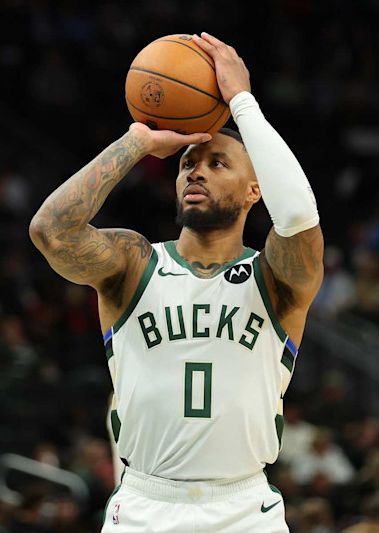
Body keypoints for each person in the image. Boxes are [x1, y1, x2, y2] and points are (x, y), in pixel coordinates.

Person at [30, 32, 323, 533]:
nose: (196, 172)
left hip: (244, 509)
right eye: (188, 163)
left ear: (257, 189)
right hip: (145, 502)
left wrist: (242, 104)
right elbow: (50, 231)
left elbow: (296, 212)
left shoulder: (275, 278)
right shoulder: (132, 263)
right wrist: (139, 141)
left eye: (217, 163)